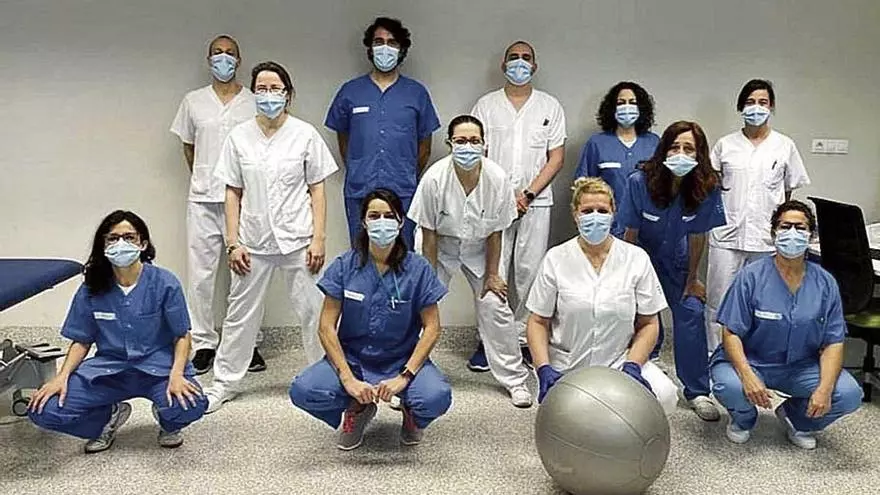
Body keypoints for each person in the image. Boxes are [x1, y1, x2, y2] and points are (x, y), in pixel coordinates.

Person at [206, 61, 338, 413]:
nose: (268, 95)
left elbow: (317, 189)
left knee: (314, 311)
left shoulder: (305, 134)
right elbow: (232, 191)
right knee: (240, 315)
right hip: (253, 241)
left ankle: (324, 379)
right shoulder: (239, 137)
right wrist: (233, 242)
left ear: (288, 94)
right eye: (261, 89)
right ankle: (224, 383)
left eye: (275, 89)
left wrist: (319, 238)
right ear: (254, 94)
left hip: (299, 238)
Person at [28, 210, 206, 453]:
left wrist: (176, 374)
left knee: (191, 404)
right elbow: (81, 340)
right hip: (110, 370)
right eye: (113, 238)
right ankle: (107, 418)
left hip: (158, 369)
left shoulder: (165, 282)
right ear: (103, 245)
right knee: (44, 409)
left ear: (143, 244)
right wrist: (61, 377)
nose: (121, 243)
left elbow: (182, 335)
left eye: (129, 237)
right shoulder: (92, 287)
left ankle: (168, 420)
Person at [289, 189, 452, 450]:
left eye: (389, 216)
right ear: (364, 222)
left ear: (400, 222)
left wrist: (405, 375)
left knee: (436, 397)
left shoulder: (418, 269)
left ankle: (412, 412)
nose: (382, 222)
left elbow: (432, 328)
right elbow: (326, 327)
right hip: (353, 360)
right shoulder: (344, 266)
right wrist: (347, 378)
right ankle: (358, 406)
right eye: (374, 216)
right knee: (304, 390)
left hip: (402, 360)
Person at [710, 201, 862, 449]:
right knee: (729, 385)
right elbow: (730, 331)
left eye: (800, 228)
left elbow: (833, 341)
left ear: (811, 236)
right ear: (774, 233)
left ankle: (796, 419)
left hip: (801, 366)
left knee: (848, 394)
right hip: (752, 360)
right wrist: (747, 375)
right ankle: (743, 419)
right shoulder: (751, 276)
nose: (792, 233)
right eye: (785, 226)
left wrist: (824, 389)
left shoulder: (825, 283)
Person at [408, 115, 533, 408]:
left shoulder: (497, 179)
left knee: (494, 305)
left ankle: (515, 380)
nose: (467, 146)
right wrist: (428, 281)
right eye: (461, 141)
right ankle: (408, 375)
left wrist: (492, 275)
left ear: (484, 144)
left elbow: (496, 231)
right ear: (450, 143)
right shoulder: (434, 179)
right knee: (419, 306)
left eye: (474, 140)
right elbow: (429, 233)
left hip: (481, 247)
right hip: (439, 246)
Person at [527, 177, 678, 414]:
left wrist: (633, 365)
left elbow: (649, 323)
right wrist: (543, 368)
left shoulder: (636, 259)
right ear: (575, 214)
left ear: (613, 213)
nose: (595, 217)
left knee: (665, 394)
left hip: (619, 362)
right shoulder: (556, 259)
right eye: (587, 211)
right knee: (575, 419)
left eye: (602, 210)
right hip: (568, 365)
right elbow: (537, 321)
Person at [469, 40, 566, 372]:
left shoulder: (549, 106)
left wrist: (527, 194)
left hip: (536, 202)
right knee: (491, 271)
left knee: (530, 273)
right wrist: (503, 196)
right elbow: (476, 155)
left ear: (534, 67)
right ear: (503, 65)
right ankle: (490, 342)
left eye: (526, 58)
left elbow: (556, 158)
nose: (520, 63)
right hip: (494, 203)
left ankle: (525, 340)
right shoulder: (486, 106)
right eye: (514, 57)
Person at [620, 121, 726, 421]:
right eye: (675, 147)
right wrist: (625, 278)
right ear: (664, 150)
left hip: (677, 261)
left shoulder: (706, 186)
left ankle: (697, 391)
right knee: (634, 312)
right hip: (639, 257)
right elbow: (629, 232)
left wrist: (692, 279)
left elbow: (698, 235)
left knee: (692, 309)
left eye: (688, 148)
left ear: (699, 154)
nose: (681, 153)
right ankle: (634, 374)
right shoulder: (640, 181)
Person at [170, 35, 259, 376]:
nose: (224, 58)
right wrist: (205, 177)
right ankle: (204, 342)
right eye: (217, 53)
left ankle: (246, 343)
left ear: (239, 59)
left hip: (246, 199)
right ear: (208, 60)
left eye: (230, 53)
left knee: (247, 272)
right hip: (203, 198)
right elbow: (188, 146)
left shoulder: (253, 101)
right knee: (201, 274)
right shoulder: (193, 101)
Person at [706, 79, 811, 354]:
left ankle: (757, 356)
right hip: (726, 235)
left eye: (762, 102)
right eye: (750, 102)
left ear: (771, 106)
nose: (756, 108)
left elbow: (787, 192)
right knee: (719, 300)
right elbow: (711, 187)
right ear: (741, 107)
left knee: (764, 301)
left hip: (765, 238)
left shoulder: (784, 146)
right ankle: (716, 356)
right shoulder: (725, 145)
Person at [325, 16, 441, 249]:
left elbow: (425, 147)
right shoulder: (350, 91)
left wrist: (405, 173)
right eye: (379, 42)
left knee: (403, 254)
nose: (385, 48)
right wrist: (359, 167)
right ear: (369, 48)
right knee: (361, 253)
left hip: (403, 190)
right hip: (360, 189)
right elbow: (344, 140)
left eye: (392, 42)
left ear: (401, 49)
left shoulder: (416, 93)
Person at [575, 81, 660, 238]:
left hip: (647, 228)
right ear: (612, 108)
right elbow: (583, 188)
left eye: (632, 102)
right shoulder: (597, 144)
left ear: (641, 108)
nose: (626, 107)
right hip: (608, 226)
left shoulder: (654, 143)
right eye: (621, 103)